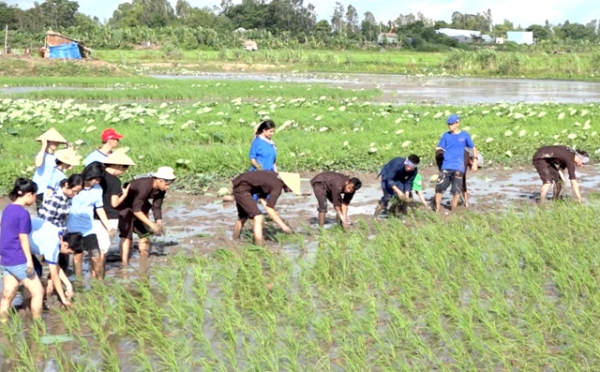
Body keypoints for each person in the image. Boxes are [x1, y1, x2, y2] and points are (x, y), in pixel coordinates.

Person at [0, 178, 44, 321]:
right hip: (18, 258)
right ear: (29, 194)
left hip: (6, 258)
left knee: (8, 294)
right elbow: (23, 238)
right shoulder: (23, 213)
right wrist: (29, 262)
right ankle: (38, 324)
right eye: (35, 194)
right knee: (38, 292)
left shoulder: (7, 209)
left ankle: (3, 324)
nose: (35, 198)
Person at [117, 167, 175, 266]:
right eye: (166, 184)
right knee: (127, 235)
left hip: (140, 206)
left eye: (169, 185)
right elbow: (136, 210)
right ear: (158, 180)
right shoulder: (145, 185)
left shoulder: (161, 190)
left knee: (145, 234)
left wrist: (158, 222)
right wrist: (152, 225)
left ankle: (144, 261)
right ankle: (124, 265)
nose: (167, 187)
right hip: (125, 207)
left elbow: (156, 207)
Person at [38, 174, 84, 296]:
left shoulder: (67, 198)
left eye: (77, 192)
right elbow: (45, 221)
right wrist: (56, 240)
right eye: (74, 191)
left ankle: (51, 292)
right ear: (67, 185)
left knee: (61, 265)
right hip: (52, 238)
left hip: (61, 235)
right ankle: (48, 293)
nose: (75, 194)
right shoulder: (55, 198)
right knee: (53, 266)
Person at [67, 162, 114, 280]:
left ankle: (99, 283)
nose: (97, 181)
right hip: (72, 227)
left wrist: (108, 227)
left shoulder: (98, 189)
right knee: (78, 256)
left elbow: (99, 208)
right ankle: (78, 282)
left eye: (99, 179)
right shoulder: (76, 184)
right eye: (96, 179)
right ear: (89, 175)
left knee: (96, 256)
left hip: (89, 228)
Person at [232, 171, 300, 245]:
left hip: (240, 184)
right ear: (287, 183)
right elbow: (270, 209)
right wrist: (284, 227)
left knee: (243, 217)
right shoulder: (277, 186)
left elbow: (264, 201)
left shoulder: (273, 177)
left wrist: (271, 211)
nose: (290, 191)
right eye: (291, 189)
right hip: (242, 189)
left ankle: (235, 240)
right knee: (258, 217)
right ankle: (259, 245)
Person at [28, 219, 83, 308]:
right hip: (16, 243)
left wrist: (68, 285)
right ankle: (28, 304)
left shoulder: (59, 234)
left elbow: (56, 266)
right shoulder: (53, 244)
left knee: (37, 270)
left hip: (24, 242)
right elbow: (54, 275)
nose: (69, 255)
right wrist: (64, 299)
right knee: (32, 275)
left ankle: (31, 302)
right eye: (70, 252)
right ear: (65, 245)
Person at [96, 150, 136, 268]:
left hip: (95, 214)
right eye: (124, 169)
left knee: (95, 247)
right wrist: (124, 194)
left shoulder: (98, 176)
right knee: (103, 249)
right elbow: (114, 203)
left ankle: (92, 275)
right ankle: (99, 276)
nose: (122, 172)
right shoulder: (114, 181)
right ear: (118, 166)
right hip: (109, 215)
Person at [434, 114, 478, 213]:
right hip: (446, 166)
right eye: (449, 124)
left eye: (452, 124)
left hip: (458, 167)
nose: (450, 126)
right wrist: (438, 149)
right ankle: (437, 210)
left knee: (456, 191)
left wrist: (475, 161)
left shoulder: (464, 135)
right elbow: (438, 147)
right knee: (438, 189)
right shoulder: (446, 135)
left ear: (457, 123)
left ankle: (453, 211)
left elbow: (474, 148)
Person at [32, 128, 68, 210]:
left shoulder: (57, 156)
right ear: (48, 142)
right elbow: (38, 164)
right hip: (41, 189)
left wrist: (69, 151)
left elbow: (69, 167)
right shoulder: (41, 154)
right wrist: (43, 146)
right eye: (53, 142)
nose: (56, 144)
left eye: (57, 142)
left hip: (52, 188)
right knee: (42, 213)